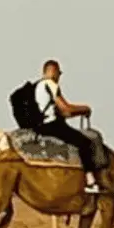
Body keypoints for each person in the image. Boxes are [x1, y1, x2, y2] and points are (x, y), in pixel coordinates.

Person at [34, 60, 102, 194]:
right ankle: (91, 182)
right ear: (53, 71)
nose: (59, 77)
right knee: (85, 142)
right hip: (52, 125)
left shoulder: (37, 86)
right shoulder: (50, 84)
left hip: (41, 126)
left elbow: (61, 112)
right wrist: (85, 109)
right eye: (59, 73)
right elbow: (66, 109)